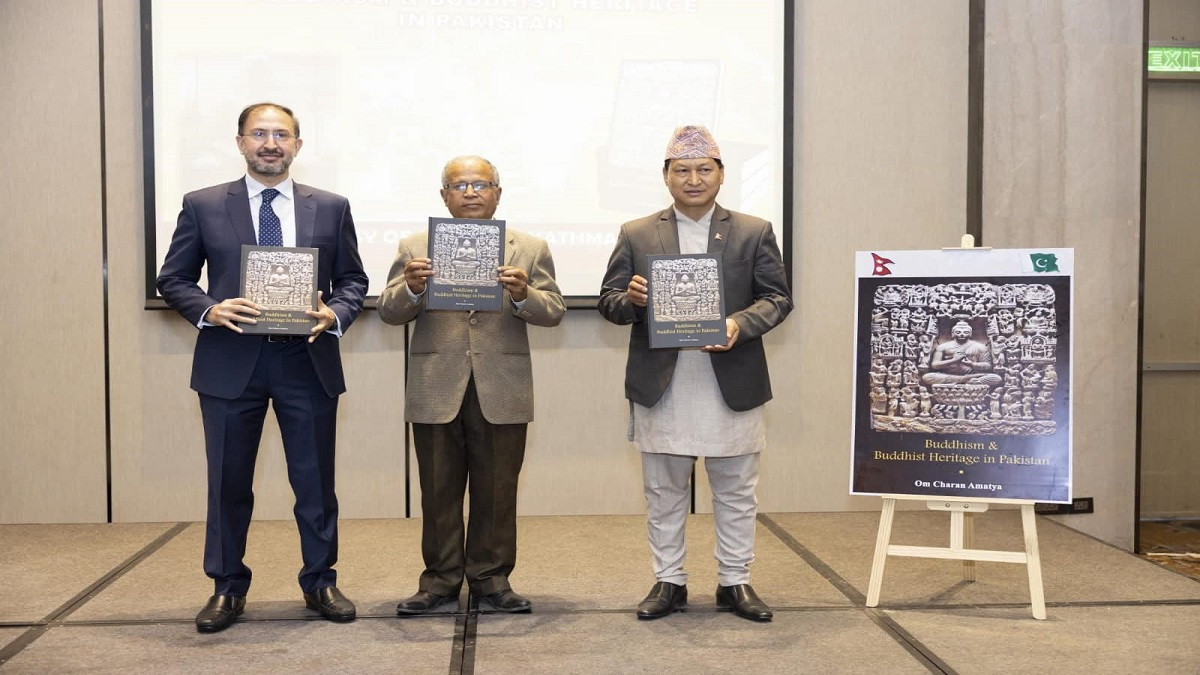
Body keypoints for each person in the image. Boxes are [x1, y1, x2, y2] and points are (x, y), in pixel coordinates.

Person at [156, 102, 367, 633]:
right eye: (259, 134)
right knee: (228, 482)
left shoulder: (333, 206)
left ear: (298, 144)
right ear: (240, 142)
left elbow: (353, 281)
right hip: (231, 362)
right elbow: (174, 278)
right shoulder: (202, 204)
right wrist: (209, 309)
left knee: (315, 482)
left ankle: (320, 580)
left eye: (281, 135)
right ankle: (227, 586)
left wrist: (334, 314)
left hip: (307, 360)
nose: (270, 143)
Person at [598, 126, 792, 622]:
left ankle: (735, 581)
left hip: (731, 375)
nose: (693, 179)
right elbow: (609, 303)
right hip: (664, 380)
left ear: (722, 174)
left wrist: (737, 324)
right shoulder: (637, 233)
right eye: (681, 170)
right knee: (663, 490)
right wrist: (634, 301)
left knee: (736, 488)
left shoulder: (754, 230)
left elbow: (777, 298)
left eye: (704, 169)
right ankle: (669, 581)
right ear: (665, 177)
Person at [377, 155, 565, 615]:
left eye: (481, 184)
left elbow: (554, 310)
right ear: (444, 196)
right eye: (458, 185)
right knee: (437, 489)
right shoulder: (414, 246)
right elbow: (388, 310)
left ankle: (492, 578)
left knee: (498, 489)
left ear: (498, 192)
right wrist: (414, 289)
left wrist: (523, 295)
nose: (470, 192)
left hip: (501, 384)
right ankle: (440, 579)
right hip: (436, 384)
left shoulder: (531, 247)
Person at [921, 320, 1002, 387]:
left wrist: (972, 364)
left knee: (996, 378)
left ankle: (963, 380)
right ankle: (966, 380)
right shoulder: (943, 347)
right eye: (958, 332)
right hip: (949, 375)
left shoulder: (980, 347)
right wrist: (953, 360)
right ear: (952, 333)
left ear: (970, 334)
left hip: (973, 374)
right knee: (926, 377)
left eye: (966, 332)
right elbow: (934, 365)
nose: (962, 334)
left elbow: (988, 366)